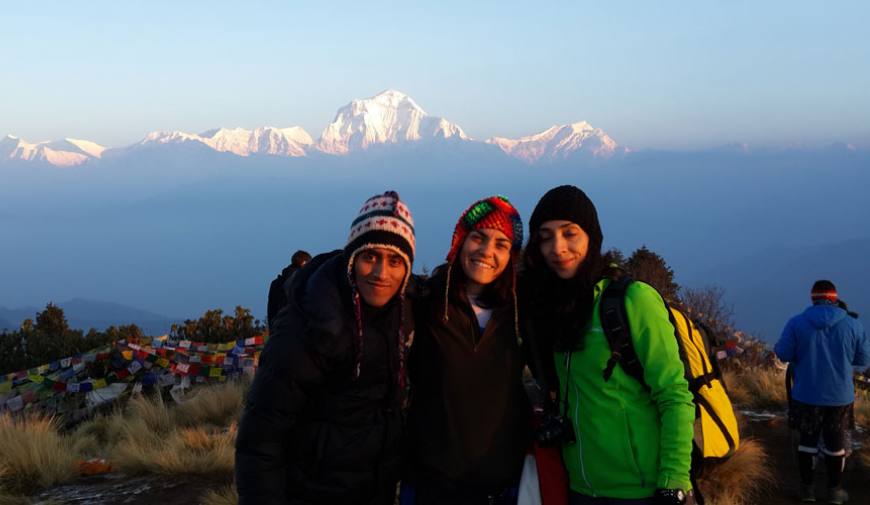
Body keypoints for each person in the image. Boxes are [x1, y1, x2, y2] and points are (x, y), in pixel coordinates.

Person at [235, 191, 416, 505]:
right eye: (370, 256)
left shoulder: (402, 319)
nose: (381, 273)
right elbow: (261, 439)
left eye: (395, 261)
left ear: (407, 270)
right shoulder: (307, 327)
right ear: (352, 258)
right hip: (309, 493)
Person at [521, 185, 695, 505]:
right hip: (578, 487)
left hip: (639, 491)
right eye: (545, 236)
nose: (557, 247)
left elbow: (675, 395)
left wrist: (673, 481)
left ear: (592, 236)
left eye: (569, 233)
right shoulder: (552, 310)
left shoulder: (631, 300)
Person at [404, 195, 530, 505]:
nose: (487, 251)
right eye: (479, 237)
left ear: (511, 256)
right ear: (460, 241)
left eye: (501, 245)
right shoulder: (427, 301)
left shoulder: (521, 311)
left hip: (502, 487)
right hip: (432, 485)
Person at [774, 280, 868, 504]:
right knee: (835, 442)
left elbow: (783, 353)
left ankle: (807, 491)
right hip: (840, 396)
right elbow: (863, 359)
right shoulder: (853, 325)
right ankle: (835, 491)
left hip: (806, 394)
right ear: (835, 299)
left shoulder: (796, 323)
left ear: (812, 298)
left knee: (807, 440)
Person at [267, 249, 312, 330]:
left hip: (278, 329)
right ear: (304, 264)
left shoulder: (276, 283)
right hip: (297, 331)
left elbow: (271, 312)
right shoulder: (304, 281)